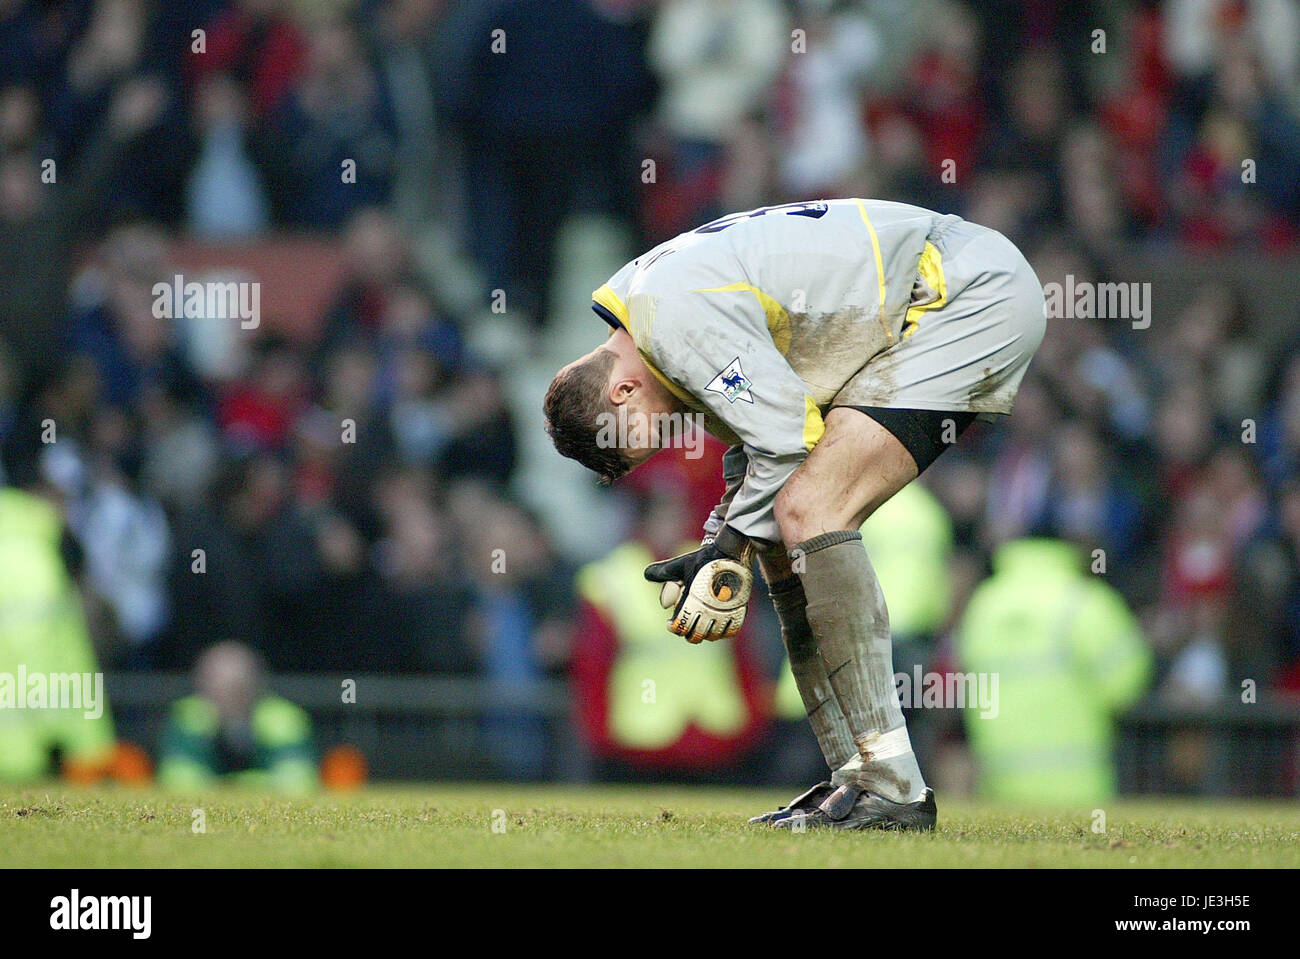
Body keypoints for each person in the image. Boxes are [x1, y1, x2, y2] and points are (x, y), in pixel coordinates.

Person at [543, 199, 1045, 830]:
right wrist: (722, 543)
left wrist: (725, 549)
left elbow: (784, 443)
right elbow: (757, 453)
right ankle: (856, 779)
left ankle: (893, 786)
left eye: (645, 436)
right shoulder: (648, 320)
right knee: (785, 526)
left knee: (810, 507)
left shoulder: (672, 324)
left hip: (963, 292)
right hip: (931, 294)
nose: (668, 440)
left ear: (621, 391)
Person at [157, 641, 317, 793]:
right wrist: (257, 784)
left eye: (238, 688)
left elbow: (298, 782)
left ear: (257, 685)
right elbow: (178, 782)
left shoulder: (283, 718)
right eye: (221, 688)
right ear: (203, 686)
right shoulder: (188, 716)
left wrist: (224, 786)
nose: (230, 698)